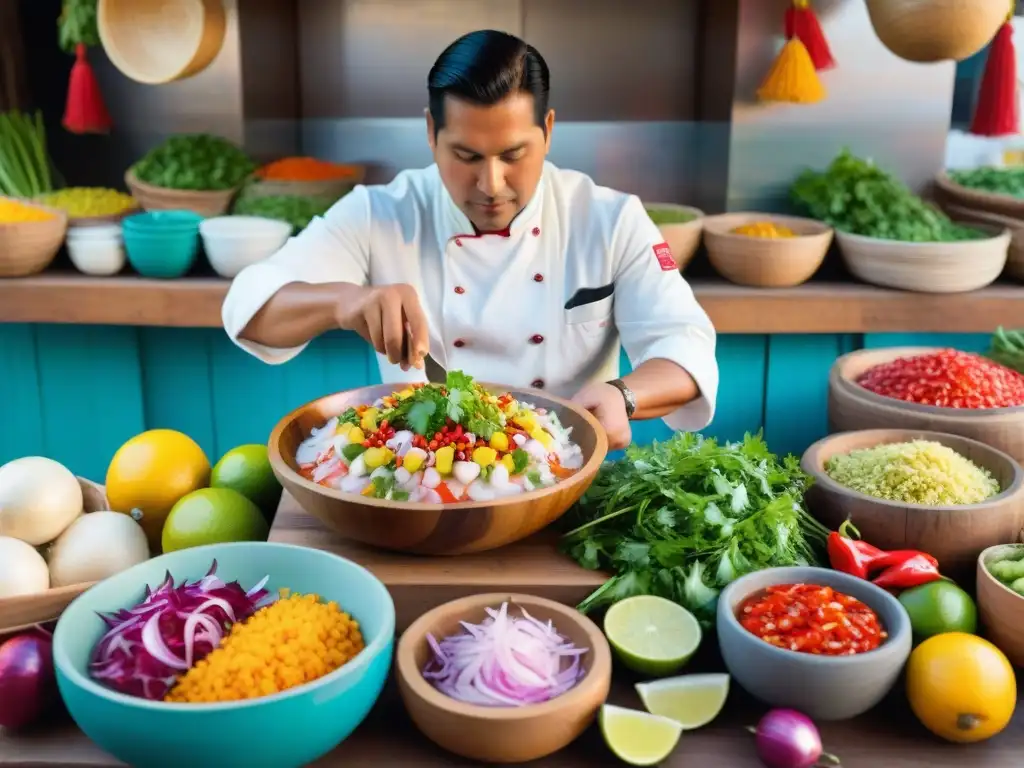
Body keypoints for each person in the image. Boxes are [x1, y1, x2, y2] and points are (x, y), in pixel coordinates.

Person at [222, 29, 718, 450]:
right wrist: (345, 301)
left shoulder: (610, 220)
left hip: (568, 487)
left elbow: (685, 344)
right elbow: (248, 306)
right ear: (430, 131)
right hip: (418, 486)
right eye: (466, 155)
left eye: (513, 154)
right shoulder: (379, 213)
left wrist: (623, 396)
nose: (491, 184)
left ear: (547, 130)